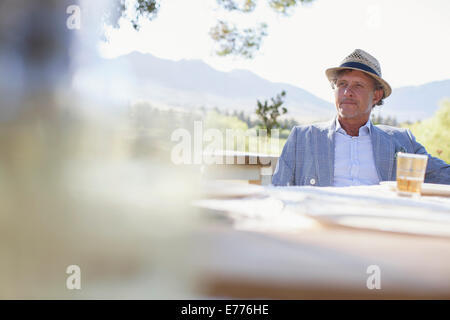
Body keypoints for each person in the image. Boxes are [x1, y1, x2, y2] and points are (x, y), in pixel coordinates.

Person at [272, 49, 450, 186]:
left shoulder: (402, 140)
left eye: (358, 85)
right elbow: (279, 190)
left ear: (376, 96)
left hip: (379, 228)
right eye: (342, 84)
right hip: (321, 228)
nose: (348, 92)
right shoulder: (302, 138)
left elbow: (444, 175)